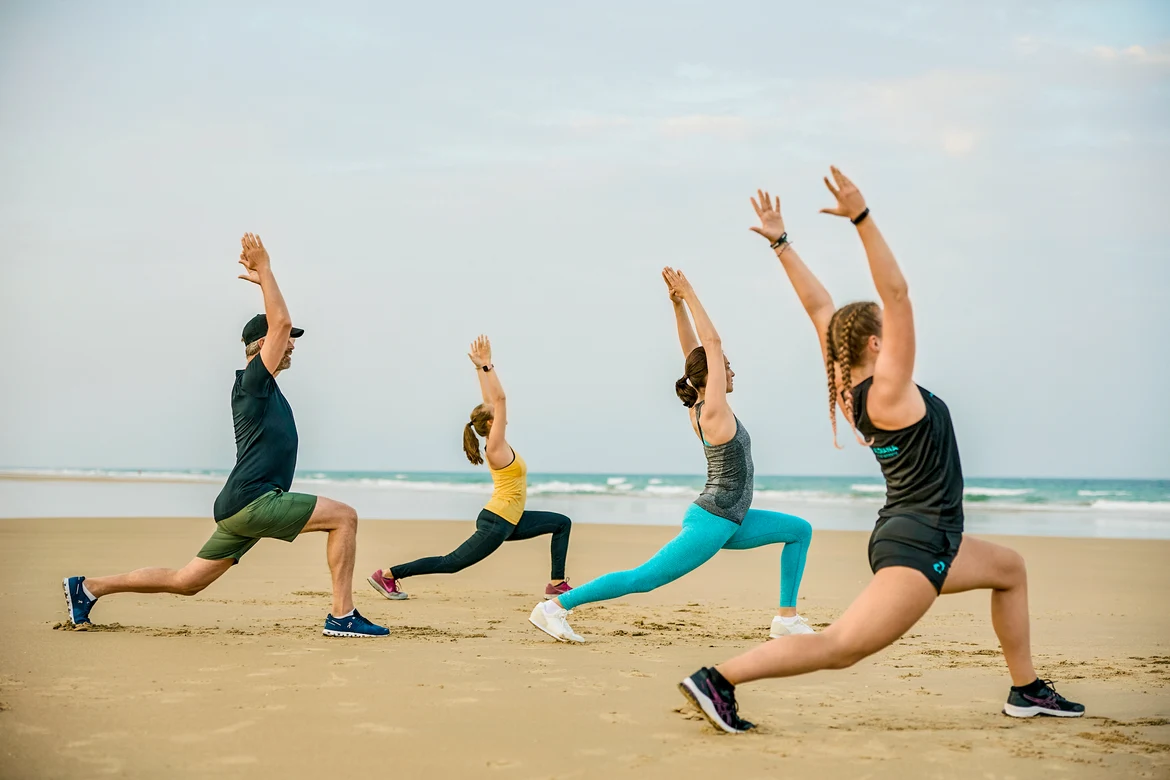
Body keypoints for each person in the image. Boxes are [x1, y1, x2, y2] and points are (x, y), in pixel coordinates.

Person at [678, 168, 1084, 733]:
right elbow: (896, 293)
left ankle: (1026, 688)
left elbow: (819, 308)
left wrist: (781, 243)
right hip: (918, 543)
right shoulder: (890, 392)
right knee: (842, 646)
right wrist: (863, 219)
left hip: (922, 530)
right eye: (886, 331)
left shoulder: (850, 390)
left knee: (1010, 570)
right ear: (876, 343)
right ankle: (719, 680)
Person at [63, 233, 389, 638]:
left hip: (240, 502)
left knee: (188, 581)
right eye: (287, 340)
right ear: (262, 344)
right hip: (254, 500)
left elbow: (281, 327)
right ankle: (342, 615)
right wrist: (266, 270)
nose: (292, 346)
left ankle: (89, 587)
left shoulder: (263, 389)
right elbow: (281, 321)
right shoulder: (253, 382)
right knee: (344, 517)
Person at [529, 268, 814, 644]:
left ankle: (787, 620)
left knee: (799, 530)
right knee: (644, 579)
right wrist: (691, 292)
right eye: (726, 366)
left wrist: (677, 306)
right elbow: (710, 344)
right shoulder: (713, 411)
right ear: (712, 374)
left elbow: (693, 352)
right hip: (714, 519)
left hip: (732, 517)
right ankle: (555, 608)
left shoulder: (700, 405)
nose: (731, 371)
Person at [367, 335, 574, 600]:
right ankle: (388, 575)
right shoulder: (495, 447)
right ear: (490, 424)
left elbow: (491, 400)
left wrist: (479, 368)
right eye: (498, 416)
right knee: (451, 563)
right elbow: (499, 399)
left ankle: (556, 583)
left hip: (511, 520)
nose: (504, 417)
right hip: (497, 522)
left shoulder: (497, 441)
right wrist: (489, 367)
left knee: (561, 523)